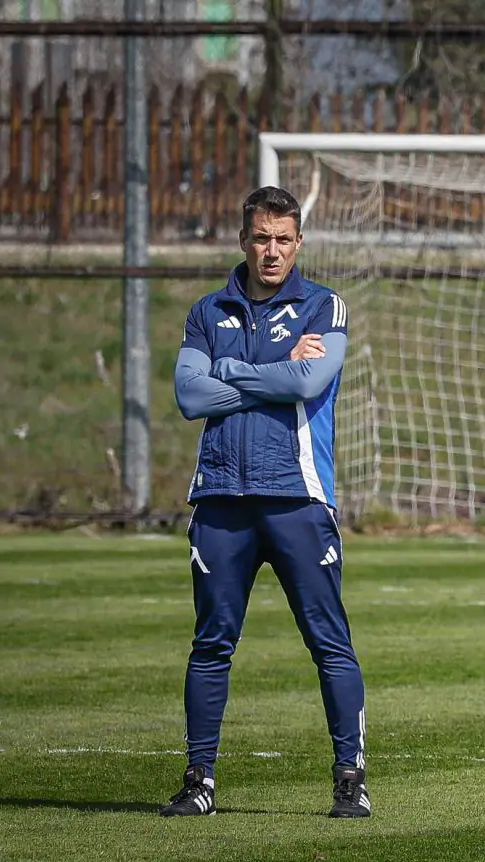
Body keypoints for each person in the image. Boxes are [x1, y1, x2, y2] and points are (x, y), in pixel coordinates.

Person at [160, 186, 370, 819]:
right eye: (260, 239)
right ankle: (199, 781)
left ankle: (350, 778)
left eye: (282, 239)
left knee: (329, 643)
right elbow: (189, 398)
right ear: (243, 241)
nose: (271, 251)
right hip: (221, 499)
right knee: (211, 645)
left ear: (299, 242)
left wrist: (227, 370)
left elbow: (311, 380)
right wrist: (276, 371)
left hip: (297, 500)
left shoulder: (323, 306)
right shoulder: (207, 311)